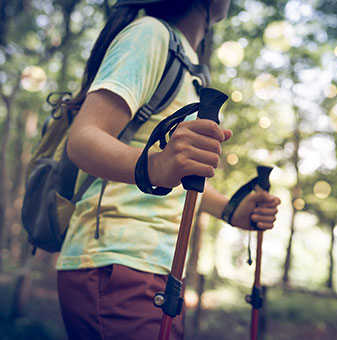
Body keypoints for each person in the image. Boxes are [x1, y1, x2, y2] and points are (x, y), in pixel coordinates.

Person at [56, 1, 281, 339]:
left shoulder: (189, 67)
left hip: (153, 270)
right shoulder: (150, 34)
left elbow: (170, 179)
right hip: (118, 263)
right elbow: (84, 139)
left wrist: (230, 210)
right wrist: (157, 165)